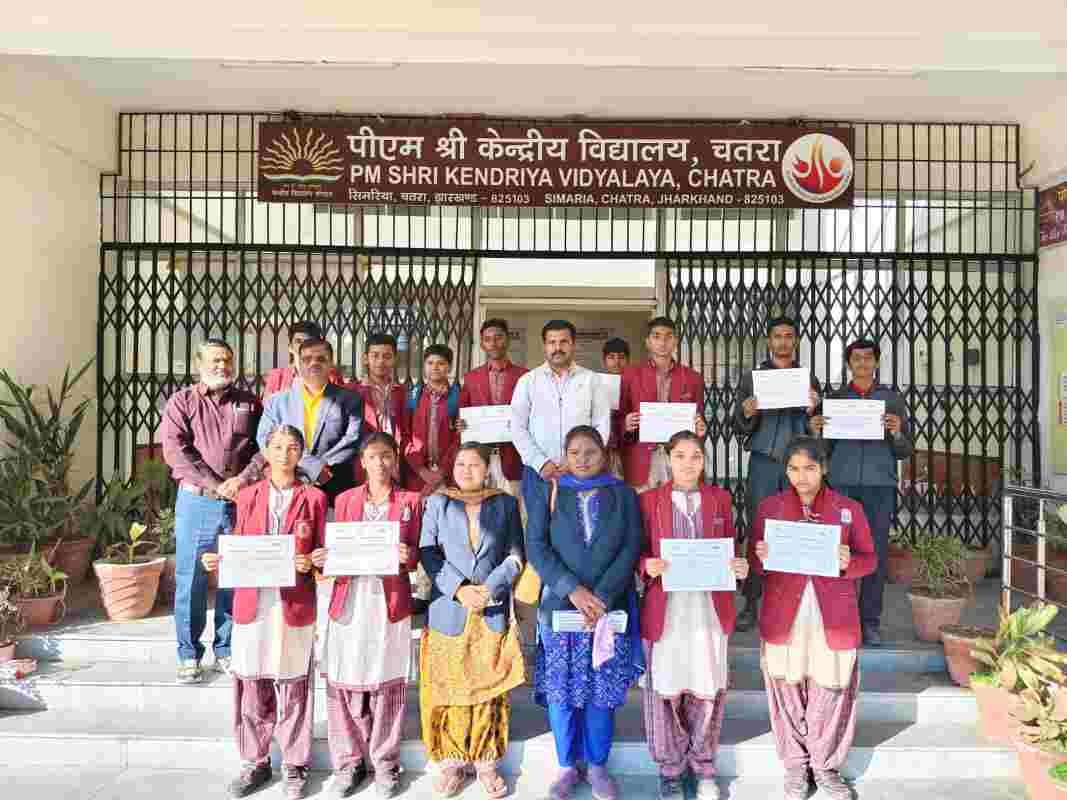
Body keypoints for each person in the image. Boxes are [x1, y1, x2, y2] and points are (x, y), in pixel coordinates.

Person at [200, 424, 326, 800]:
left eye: (293, 447)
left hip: (293, 602)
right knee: (252, 684)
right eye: (278, 447)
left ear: (301, 454)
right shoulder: (247, 496)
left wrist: (313, 561)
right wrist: (218, 560)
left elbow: (324, 553)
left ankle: (295, 763)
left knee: (293, 684)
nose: (285, 454)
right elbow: (239, 545)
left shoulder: (315, 498)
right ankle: (255, 761)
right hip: (253, 602)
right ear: (266, 452)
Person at [749, 436, 876, 800]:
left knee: (830, 688)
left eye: (809, 468)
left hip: (831, 612)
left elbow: (870, 559)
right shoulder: (770, 508)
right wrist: (760, 555)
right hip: (784, 611)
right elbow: (755, 561)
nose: (801, 477)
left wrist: (849, 561)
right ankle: (795, 766)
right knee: (786, 689)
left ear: (824, 468)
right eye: (793, 469)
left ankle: (824, 767)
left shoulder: (847, 508)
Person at [527, 426, 644, 800]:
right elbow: (536, 547)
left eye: (590, 451)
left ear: (604, 454)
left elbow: (631, 546)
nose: (582, 459)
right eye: (574, 452)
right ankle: (566, 765)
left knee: (601, 691)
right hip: (561, 607)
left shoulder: (623, 495)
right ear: (564, 455)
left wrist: (602, 596)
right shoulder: (549, 492)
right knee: (561, 691)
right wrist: (572, 590)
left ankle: (596, 766)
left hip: (608, 609)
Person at [311, 433, 423, 798]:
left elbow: (419, 553)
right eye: (372, 456)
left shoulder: (411, 501)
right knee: (345, 678)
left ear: (395, 459)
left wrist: (409, 556)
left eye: (386, 455)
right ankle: (349, 763)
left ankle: (385, 763)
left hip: (389, 601)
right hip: (350, 598)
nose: (379, 463)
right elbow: (333, 550)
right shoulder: (344, 500)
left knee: (386, 681)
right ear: (362, 461)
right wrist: (323, 558)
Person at [638, 431, 749, 800]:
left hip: (707, 608)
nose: (688, 463)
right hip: (667, 608)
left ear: (705, 461)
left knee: (706, 687)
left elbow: (729, 546)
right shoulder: (649, 500)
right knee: (666, 688)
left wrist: (738, 565)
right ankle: (670, 769)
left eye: (696, 456)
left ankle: (703, 766)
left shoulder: (719, 499)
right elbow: (637, 551)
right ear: (668, 459)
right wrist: (646, 564)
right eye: (680, 456)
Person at [418, 443, 526, 798]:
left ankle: (486, 761)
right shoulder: (438, 502)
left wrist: (490, 587)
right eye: (460, 463)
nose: (467, 470)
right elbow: (428, 552)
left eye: (474, 464)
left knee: (488, 689)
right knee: (451, 687)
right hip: (450, 607)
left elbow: (515, 554)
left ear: (487, 469)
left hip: (490, 607)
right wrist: (460, 589)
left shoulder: (504, 503)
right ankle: (452, 762)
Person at [161, 339, 263, 685]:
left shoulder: (249, 403)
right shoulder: (182, 402)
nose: (222, 366)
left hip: (239, 501)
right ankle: (188, 654)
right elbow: (176, 451)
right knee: (191, 578)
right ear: (199, 363)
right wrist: (215, 484)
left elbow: (263, 448)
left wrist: (242, 479)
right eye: (215, 360)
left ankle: (225, 648)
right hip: (198, 501)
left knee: (234, 574)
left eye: (227, 360)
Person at [811, 338, 913, 647]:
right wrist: (816, 431)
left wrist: (896, 432)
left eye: (868, 358)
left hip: (879, 486)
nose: (863, 363)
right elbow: (822, 451)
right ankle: (838, 618)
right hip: (841, 486)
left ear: (876, 362)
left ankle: (870, 621)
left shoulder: (892, 400)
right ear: (849, 363)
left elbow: (904, 450)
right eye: (857, 358)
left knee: (874, 554)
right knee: (835, 552)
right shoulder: (835, 400)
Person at [732, 316, 821, 632]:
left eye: (788, 335)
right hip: (765, 462)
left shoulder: (807, 378)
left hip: (799, 465)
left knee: (799, 528)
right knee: (760, 529)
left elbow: (819, 426)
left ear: (795, 341)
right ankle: (751, 603)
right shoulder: (753, 378)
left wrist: (814, 410)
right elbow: (738, 424)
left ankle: (790, 601)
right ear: (769, 341)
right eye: (777, 336)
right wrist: (746, 412)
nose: (783, 341)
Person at [511, 320, 612, 519]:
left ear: (573, 344)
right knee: (537, 530)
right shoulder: (528, 381)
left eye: (564, 342)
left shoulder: (591, 380)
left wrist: (576, 461)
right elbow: (517, 427)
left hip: (581, 471)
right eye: (552, 342)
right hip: (538, 472)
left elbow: (601, 425)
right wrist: (540, 463)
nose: (557, 347)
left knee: (579, 528)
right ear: (544, 346)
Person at [255, 338, 364, 503]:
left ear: (331, 363)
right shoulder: (277, 402)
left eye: (321, 359)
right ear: (298, 363)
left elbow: (352, 439)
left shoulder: (350, 399)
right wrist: (311, 466)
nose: (314, 363)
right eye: (307, 359)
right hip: (288, 484)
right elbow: (264, 439)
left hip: (333, 483)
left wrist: (322, 467)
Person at [620, 317, 707, 491]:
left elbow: (699, 419)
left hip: (679, 456)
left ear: (675, 341)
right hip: (642, 457)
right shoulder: (630, 375)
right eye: (656, 336)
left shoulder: (692, 378)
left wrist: (701, 428)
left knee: (678, 502)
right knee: (642, 504)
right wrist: (626, 424)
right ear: (647, 342)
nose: (662, 342)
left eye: (668, 336)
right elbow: (619, 417)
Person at [458, 319, 528, 497]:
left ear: (507, 340)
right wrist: (461, 424)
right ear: (482, 344)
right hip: (481, 457)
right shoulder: (471, 377)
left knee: (515, 507)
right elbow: (462, 413)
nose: (493, 343)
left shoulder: (525, 376)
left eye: (498, 337)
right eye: (487, 339)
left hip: (514, 456)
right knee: (482, 508)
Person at [346, 333, 409, 486]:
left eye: (387, 356)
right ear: (365, 358)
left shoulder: (403, 392)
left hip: (395, 462)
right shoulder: (352, 391)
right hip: (365, 463)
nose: (381, 361)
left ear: (395, 359)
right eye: (375, 356)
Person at [405, 344, 461, 498]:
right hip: (418, 474)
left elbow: (460, 438)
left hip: (449, 475)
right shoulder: (414, 395)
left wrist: (441, 472)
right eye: (430, 363)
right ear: (424, 366)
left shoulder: (458, 396)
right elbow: (406, 436)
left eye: (441, 363)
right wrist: (421, 470)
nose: (435, 367)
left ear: (449, 367)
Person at [262, 320, 343, 401]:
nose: (302, 345)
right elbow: (267, 405)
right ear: (290, 347)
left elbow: (340, 404)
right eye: (298, 341)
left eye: (308, 342)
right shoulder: (277, 376)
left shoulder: (331, 375)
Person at [601, 338, 631, 480]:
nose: (616, 362)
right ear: (604, 360)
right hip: (604, 447)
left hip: (628, 447)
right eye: (611, 357)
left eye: (621, 357)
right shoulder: (596, 384)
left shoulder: (635, 384)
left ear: (628, 360)